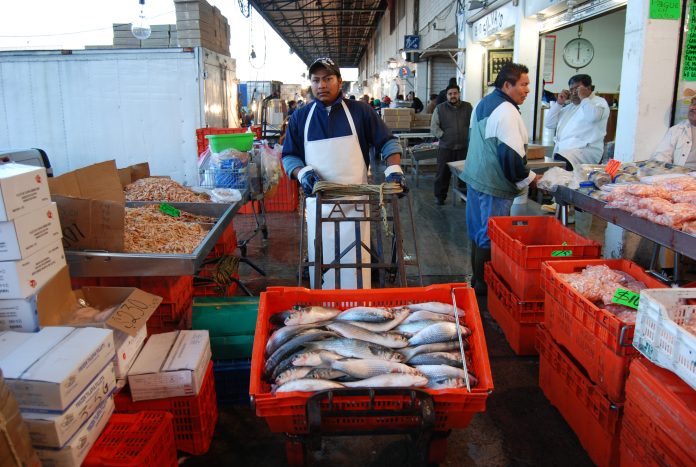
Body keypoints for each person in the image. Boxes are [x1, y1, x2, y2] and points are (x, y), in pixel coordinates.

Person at [282, 57, 405, 290]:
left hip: (356, 206)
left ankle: (358, 310)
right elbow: (289, 156)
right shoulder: (301, 117)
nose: (322, 85)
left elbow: (388, 143)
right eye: (316, 80)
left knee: (357, 269)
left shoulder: (361, 112)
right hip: (319, 207)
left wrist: (394, 169)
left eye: (328, 79)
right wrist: (302, 174)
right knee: (322, 267)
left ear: (340, 81)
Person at [460, 63, 540, 295]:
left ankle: (477, 282)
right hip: (493, 184)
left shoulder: (484, 103)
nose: (527, 90)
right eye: (523, 84)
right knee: (490, 235)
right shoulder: (506, 111)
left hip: (477, 179)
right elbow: (511, 157)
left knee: (478, 231)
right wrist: (531, 179)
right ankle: (485, 290)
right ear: (507, 85)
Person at [544, 74, 610, 171]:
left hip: (585, 151)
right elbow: (549, 123)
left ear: (588, 88)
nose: (574, 93)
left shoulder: (598, 102)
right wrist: (559, 103)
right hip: (564, 152)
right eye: (571, 90)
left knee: (559, 170)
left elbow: (593, 117)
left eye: (577, 89)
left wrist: (584, 98)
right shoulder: (570, 107)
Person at [430, 83, 472, 205]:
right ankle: (440, 197)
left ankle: (464, 195)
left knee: (465, 174)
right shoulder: (440, 108)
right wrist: (444, 136)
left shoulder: (468, 107)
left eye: (455, 93)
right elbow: (434, 127)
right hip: (446, 148)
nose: (453, 96)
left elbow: (473, 124)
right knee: (442, 174)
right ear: (447, 95)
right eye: (450, 94)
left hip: (464, 148)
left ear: (459, 94)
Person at [651, 96, 696, 169]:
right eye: (692, 104)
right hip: (680, 176)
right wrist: (667, 173)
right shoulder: (677, 130)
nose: (692, 108)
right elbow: (662, 155)